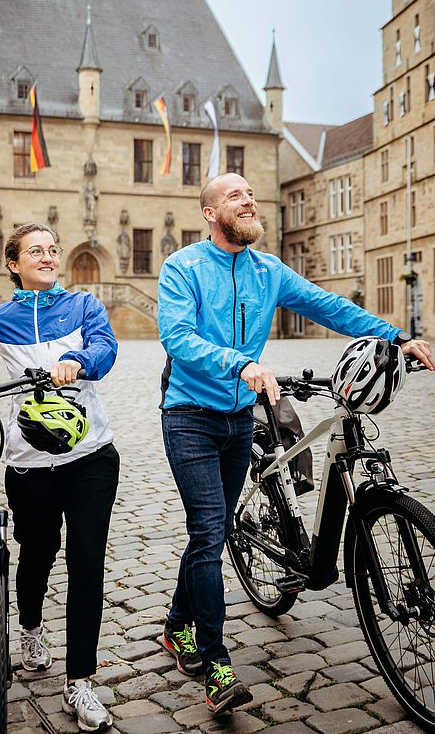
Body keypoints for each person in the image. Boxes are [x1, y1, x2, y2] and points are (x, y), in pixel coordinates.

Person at [157, 173, 434, 716]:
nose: (249, 199)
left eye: (250, 193)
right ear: (211, 214)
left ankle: (175, 626)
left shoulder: (267, 270)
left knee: (207, 534)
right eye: (235, 195)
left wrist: (396, 336)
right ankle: (216, 667)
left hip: (239, 420)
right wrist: (242, 364)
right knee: (210, 531)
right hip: (189, 417)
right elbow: (177, 337)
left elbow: (330, 307)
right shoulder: (183, 267)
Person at [0, 222, 119, 732]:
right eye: (34, 251)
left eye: (52, 250)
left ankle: (80, 681)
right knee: (36, 553)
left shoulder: (84, 306)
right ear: (14, 264)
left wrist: (76, 361)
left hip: (91, 456)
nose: (47, 256)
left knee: (87, 562)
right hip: (29, 464)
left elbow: (105, 351)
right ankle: (31, 627)